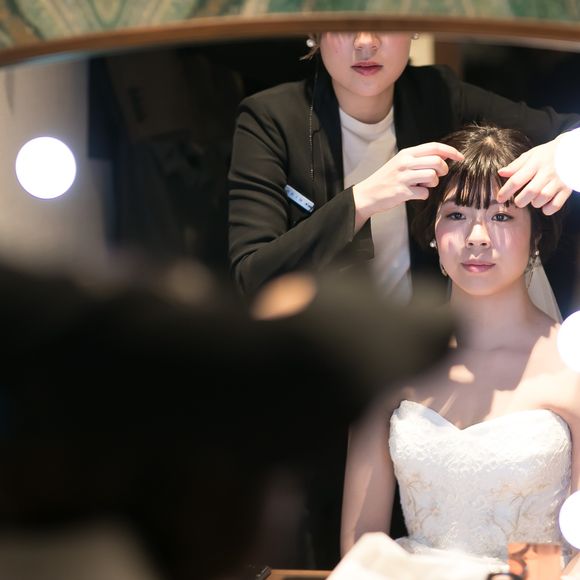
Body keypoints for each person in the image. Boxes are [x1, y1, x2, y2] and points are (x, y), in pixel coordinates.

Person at [228, 30, 580, 567]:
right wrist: (363, 198)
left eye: (502, 216)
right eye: (456, 214)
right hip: (337, 397)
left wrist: (563, 153)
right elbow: (254, 280)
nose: (366, 43)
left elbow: (563, 551)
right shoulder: (273, 119)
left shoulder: (439, 96)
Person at [340, 123, 580, 578]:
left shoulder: (572, 364)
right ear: (432, 231)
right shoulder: (388, 361)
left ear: (537, 236)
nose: (477, 236)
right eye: (456, 214)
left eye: (502, 217)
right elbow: (363, 540)